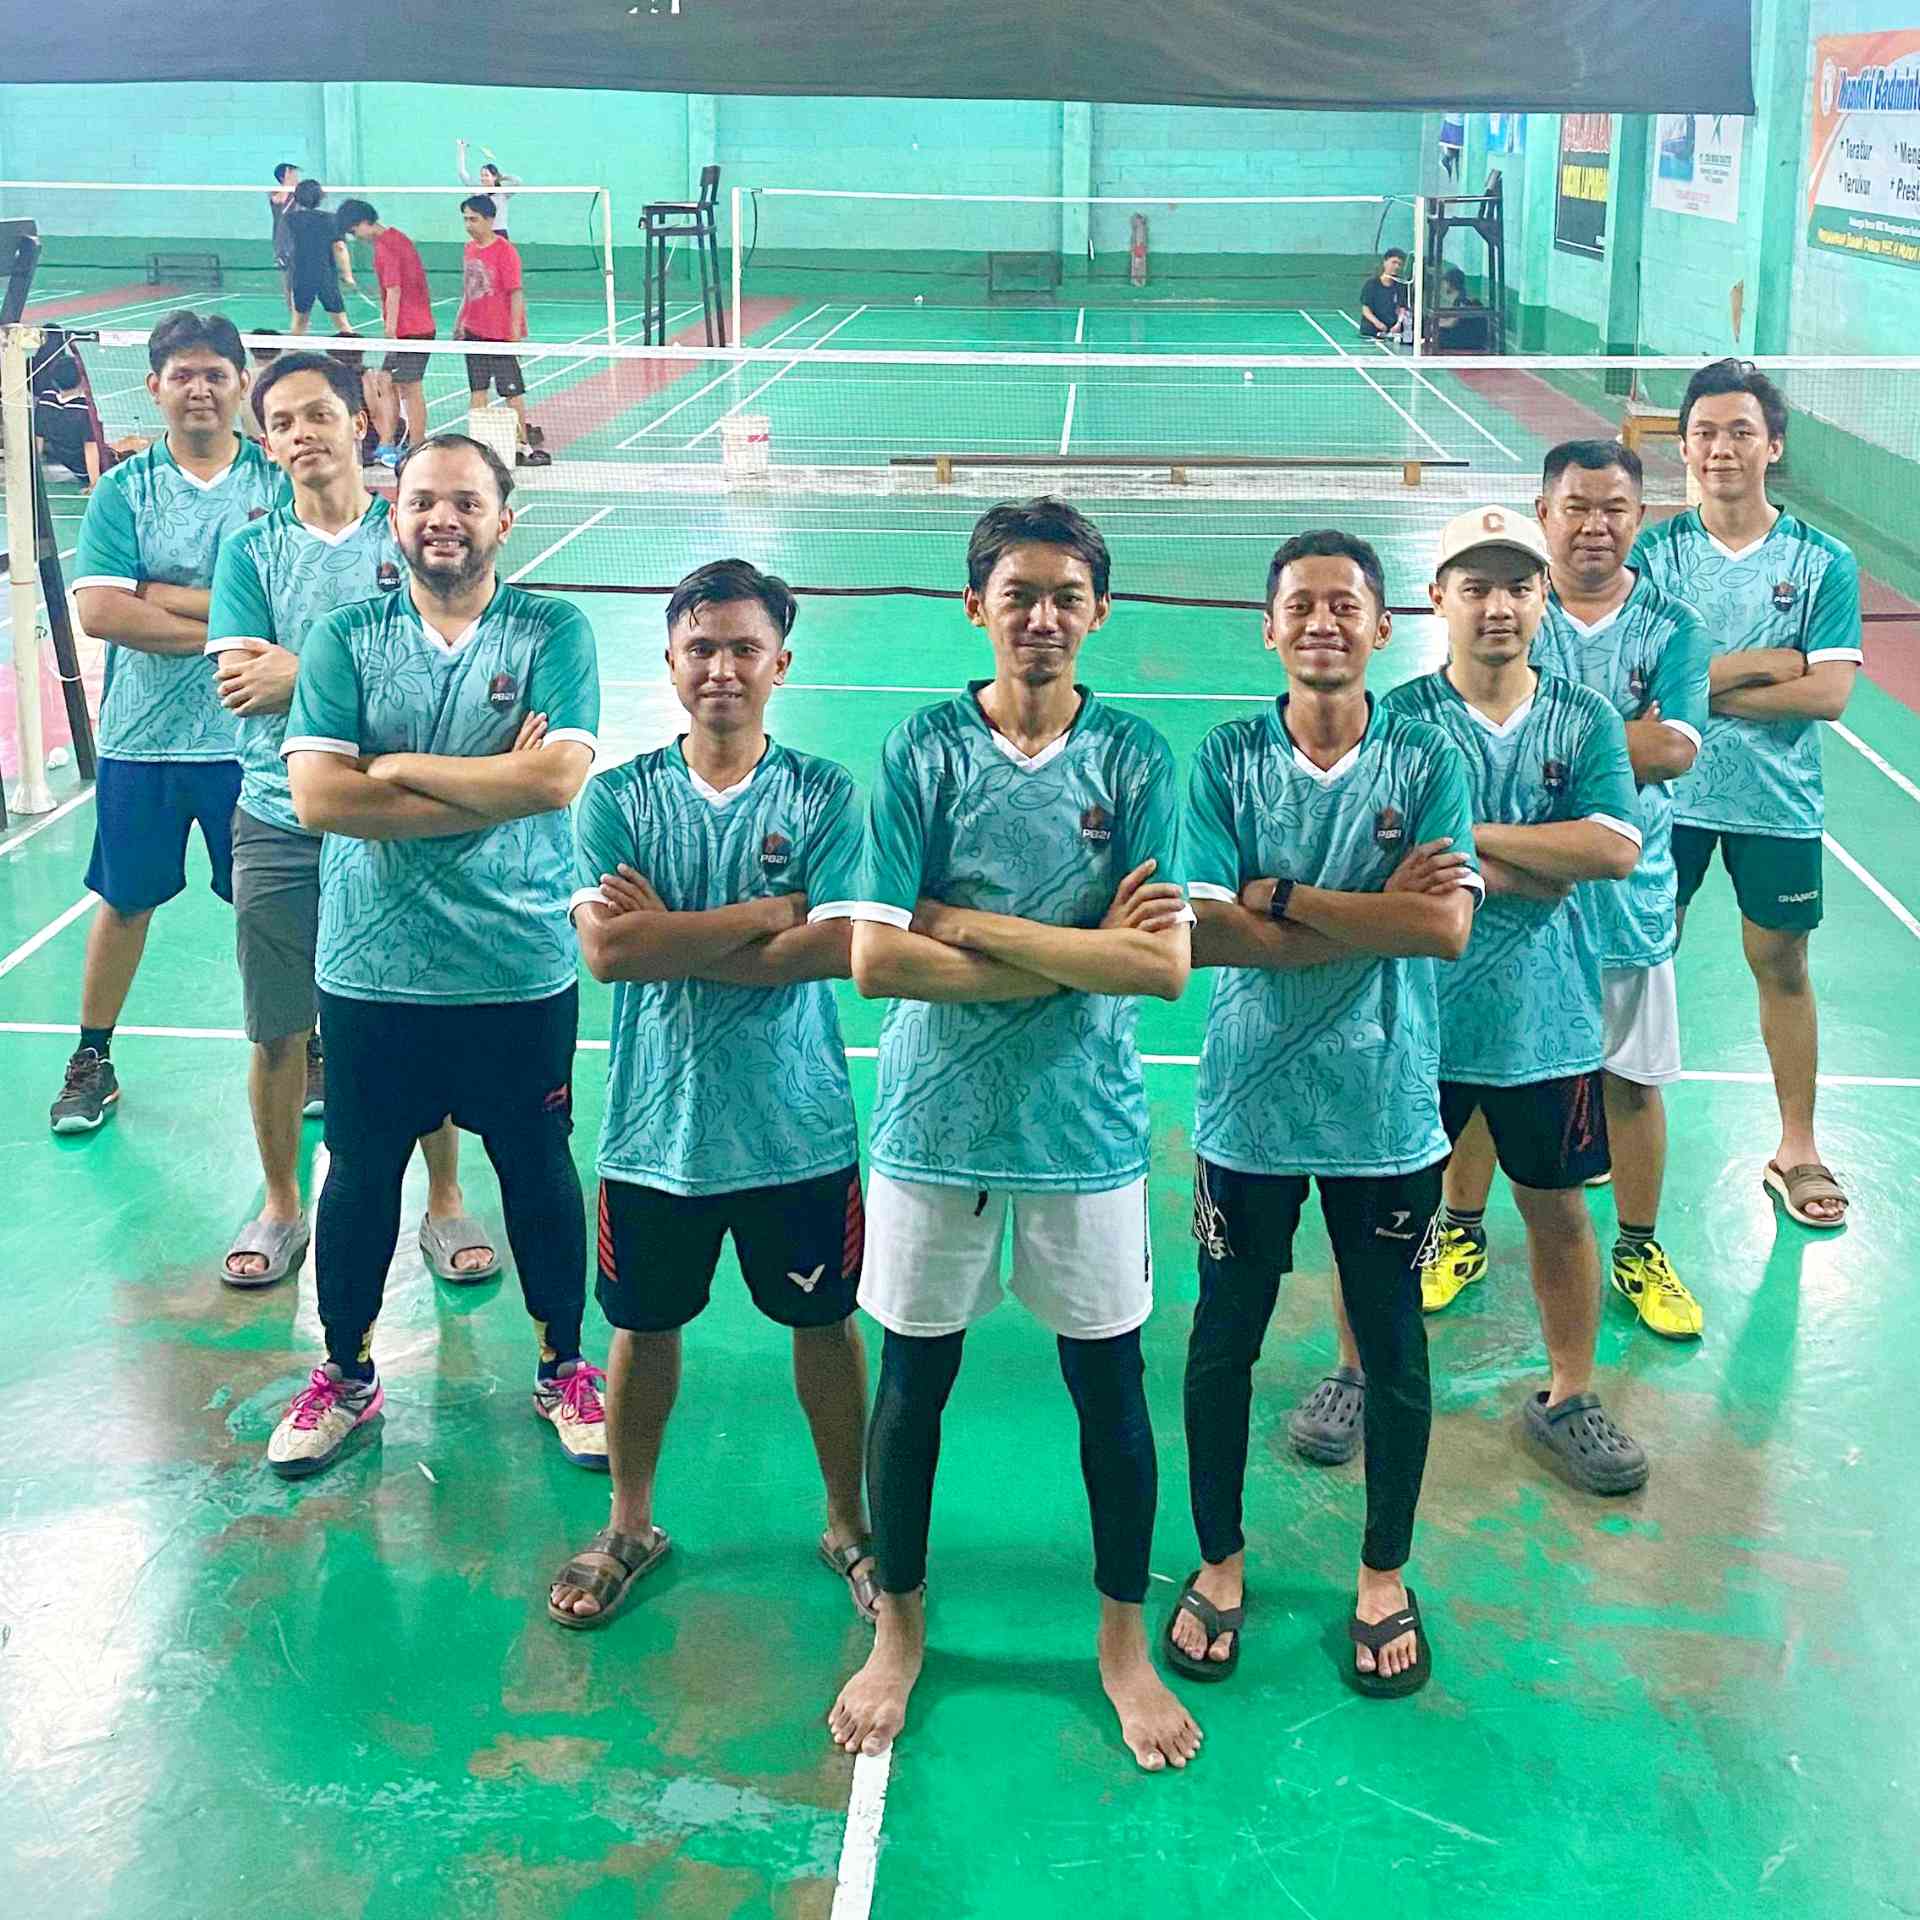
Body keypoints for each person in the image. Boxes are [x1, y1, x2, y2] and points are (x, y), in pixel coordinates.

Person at [826, 497, 1201, 1774]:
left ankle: (1122, 1647)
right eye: (1018, 593)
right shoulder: (921, 751)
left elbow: (1161, 969)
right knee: (913, 1388)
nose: (1042, 617)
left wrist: (969, 925)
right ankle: (900, 1630)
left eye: (1065, 596)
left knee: (1110, 1393)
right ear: (974, 606)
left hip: (1084, 1129)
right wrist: (1080, 949)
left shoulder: (1136, 761)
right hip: (933, 1125)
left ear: (1099, 612)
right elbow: (878, 961)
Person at [1168, 530, 1478, 1699]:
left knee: (1393, 1348)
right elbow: (1202, 932)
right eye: (1300, 604)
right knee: (1223, 1343)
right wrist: (1369, 912)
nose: (1323, 622)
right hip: (1246, 1109)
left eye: (1345, 604)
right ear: (1269, 628)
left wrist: (1288, 897)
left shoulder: (1428, 759)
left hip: (1384, 1110)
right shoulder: (1227, 760)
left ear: (1383, 627)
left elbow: (1442, 927)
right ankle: (1220, 1560)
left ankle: (1383, 1575)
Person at [547, 560, 877, 1630]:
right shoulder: (618, 797)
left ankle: (850, 1524)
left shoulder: (824, 794)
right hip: (657, 1134)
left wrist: (673, 934)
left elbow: (837, 947)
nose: (722, 669)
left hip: (797, 1130)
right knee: (642, 1332)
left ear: (782, 663)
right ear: (671, 662)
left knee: (823, 1326)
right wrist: (771, 912)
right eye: (702, 648)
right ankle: (629, 1524)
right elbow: (610, 955)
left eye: (744, 649)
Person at [268, 433, 601, 1477]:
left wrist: (394, 766)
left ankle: (564, 1367)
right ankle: (346, 1375)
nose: (442, 518)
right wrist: (487, 784)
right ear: (394, 515)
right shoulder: (344, 637)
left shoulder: (553, 629)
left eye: (465, 501)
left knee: (538, 1170)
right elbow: (320, 799)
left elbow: (555, 783)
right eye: (421, 501)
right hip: (373, 970)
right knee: (360, 1176)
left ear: (505, 519)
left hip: (518, 964)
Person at [1340, 507, 1648, 1498]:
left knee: (1557, 1214)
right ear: (1438, 600)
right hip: (1412, 1021)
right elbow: (1389, 861)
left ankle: (1569, 1394)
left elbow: (1612, 848)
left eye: (1517, 586)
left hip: (1545, 1026)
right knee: (1380, 1213)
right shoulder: (1398, 719)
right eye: (1475, 588)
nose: (1498, 606)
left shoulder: (1584, 720)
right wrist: (1537, 858)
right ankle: (1355, 1376)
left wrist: (1465, 844)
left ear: (1543, 597)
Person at [206, 353, 495, 1293]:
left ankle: (444, 1201)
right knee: (277, 1028)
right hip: (276, 812)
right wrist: (349, 681)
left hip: (389, 815)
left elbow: (431, 668)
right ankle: (281, 1203)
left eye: (319, 414)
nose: (304, 434)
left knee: (420, 1015)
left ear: (357, 422)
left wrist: (304, 676)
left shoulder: (407, 529)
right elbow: (243, 685)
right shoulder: (250, 552)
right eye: (283, 423)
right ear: (267, 442)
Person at [1425, 442, 1711, 1339]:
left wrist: (1574, 761)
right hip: (1504, 915)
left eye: (1614, 508)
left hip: (1625, 904)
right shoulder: (1514, 603)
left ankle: (1639, 1245)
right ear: (1544, 513)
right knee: (1483, 1067)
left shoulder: (1672, 624)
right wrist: (1594, 784)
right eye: (1576, 506)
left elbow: (1676, 748)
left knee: (1632, 1079)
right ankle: (1458, 1228)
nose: (1595, 525)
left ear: (1640, 518)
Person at [1633, 359, 1863, 1229]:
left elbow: (1828, 694)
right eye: (1704, 432)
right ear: (1684, 446)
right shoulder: (1654, 554)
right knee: (1637, 963)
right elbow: (1642, 693)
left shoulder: (1823, 560)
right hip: (1666, 798)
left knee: (1783, 966)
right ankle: (1608, 1124)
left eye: (1740, 431)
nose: (1721, 448)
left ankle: (1797, 1147)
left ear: (1774, 445)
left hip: (1777, 804)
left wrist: (1698, 688)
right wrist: (1768, 663)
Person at [51, 312, 282, 1136]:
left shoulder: (278, 484)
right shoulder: (125, 489)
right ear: (154, 387)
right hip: (140, 743)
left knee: (272, 911)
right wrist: (233, 624)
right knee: (122, 904)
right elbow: (103, 611)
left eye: (216, 374)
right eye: (182, 374)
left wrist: (159, 593)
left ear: (241, 384)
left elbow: (292, 606)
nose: (200, 389)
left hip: (252, 744)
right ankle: (93, 1057)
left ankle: (308, 1043)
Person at [336, 198, 433, 463]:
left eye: (354, 230)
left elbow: (394, 289)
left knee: (411, 388)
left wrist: (390, 329)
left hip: (412, 330)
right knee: (387, 381)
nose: (355, 236)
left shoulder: (387, 247)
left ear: (363, 222)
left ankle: (417, 445)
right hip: (409, 327)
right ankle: (387, 443)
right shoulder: (395, 238)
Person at [456, 195, 549, 467]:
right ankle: (477, 448)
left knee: (512, 393)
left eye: (474, 219)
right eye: (465, 219)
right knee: (477, 390)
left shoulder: (505, 251)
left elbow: (516, 293)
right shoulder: (469, 249)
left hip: (500, 336)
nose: (468, 225)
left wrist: (514, 334)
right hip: (474, 332)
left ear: (489, 220)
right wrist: (460, 321)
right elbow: (469, 289)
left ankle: (522, 446)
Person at [33, 350, 147, 490]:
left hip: (66, 459)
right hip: (89, 469)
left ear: (54, 380)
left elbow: (37, 440)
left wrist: (34, 472)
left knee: (124, 443)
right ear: (81, 379)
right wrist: (94, 483)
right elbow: (91, 449)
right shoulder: (84, 411)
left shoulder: (46, 400)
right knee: (139, 444)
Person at [284, 178, 356, 340]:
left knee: (299, 323)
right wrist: (347, 275)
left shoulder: (290, 219)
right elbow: (340, 248)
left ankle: (293, 355)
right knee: (342, 323)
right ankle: (353, 354)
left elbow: (286, 245)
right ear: (320, 197)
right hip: (325, 276)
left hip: (301, 275)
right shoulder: (332, 220)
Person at [457, 141, 522, 236]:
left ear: (494, 177)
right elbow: (462, 173)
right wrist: (461, 149)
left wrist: (502, 176)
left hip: (500, 232)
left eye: (486, 175)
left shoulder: (503, 192)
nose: (483, 178)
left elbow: (518, 181)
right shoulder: (478, 191)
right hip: (483, 232)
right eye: (482, 175)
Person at [269, 163, 301, 320]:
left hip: (300, 241)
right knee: (288, 280)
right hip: (283, 242)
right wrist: (288, 181)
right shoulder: (275, 193)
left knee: (299, 279)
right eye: (293, 173)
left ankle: (299, 311)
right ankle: (293, 314)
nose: (297, 177)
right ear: (284, 176)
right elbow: (280, 200)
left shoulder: (299, 194)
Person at [1432, 266, 1490, 352]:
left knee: (1440, 337)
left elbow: (1452, 322)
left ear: (1451, 284)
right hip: (1471, 339)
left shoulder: (1462, 300)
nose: (1444, 285)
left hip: (1471, 342)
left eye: (1446, 282)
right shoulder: (1460, 298)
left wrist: (1436, 324)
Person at [1358, 250, 1410, 344]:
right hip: (1372, 328)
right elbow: (1365, 310)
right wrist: (1377, 323)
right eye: (1393, 262)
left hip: (1392, 329)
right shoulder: (1371, 284)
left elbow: (1402, 308)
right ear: (1385, 262)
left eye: (1399, 264)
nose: (1396, 266)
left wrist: (1398, 324)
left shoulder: (1401, 285)